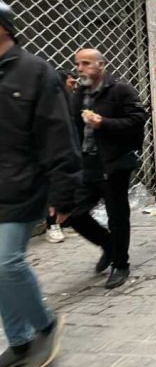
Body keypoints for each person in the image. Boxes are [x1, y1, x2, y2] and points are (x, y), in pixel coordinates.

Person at [0, 2, 80, 367]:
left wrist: (64, 193)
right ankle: (18, 342)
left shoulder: (36, 73)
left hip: (23, 185)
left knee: (7, 261)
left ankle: (46, 325)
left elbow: (58, 136)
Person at [65, 49, 147, 289]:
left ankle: (121, 264)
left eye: (86, 63)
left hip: (114, 164)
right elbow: (71, 124)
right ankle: (109, 245)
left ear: (101, 65)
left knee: (117, 216)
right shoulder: (79, 94)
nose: (80, 68)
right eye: (77, 64)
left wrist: (104, 123)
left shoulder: (120, 90)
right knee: (74, 214)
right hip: (87, 163)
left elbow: (138, 118)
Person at [45, 70, 79, 244]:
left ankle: (64, 222)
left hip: (70, 151)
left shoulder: (71, 100)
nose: (73, 86)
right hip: (54, 154)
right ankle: (52, 226)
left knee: (69, 189)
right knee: (54, 192)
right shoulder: (51, 102)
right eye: (71, 83)